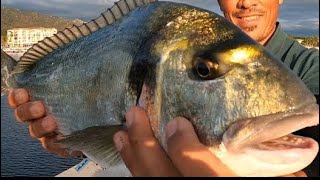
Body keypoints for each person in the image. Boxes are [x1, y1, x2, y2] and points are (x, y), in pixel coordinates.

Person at [7, 0, 318, 177]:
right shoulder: (188, 36)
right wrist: (71, 140)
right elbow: (94, 144)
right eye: (203, 71)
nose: (247, 1)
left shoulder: (311, 69)